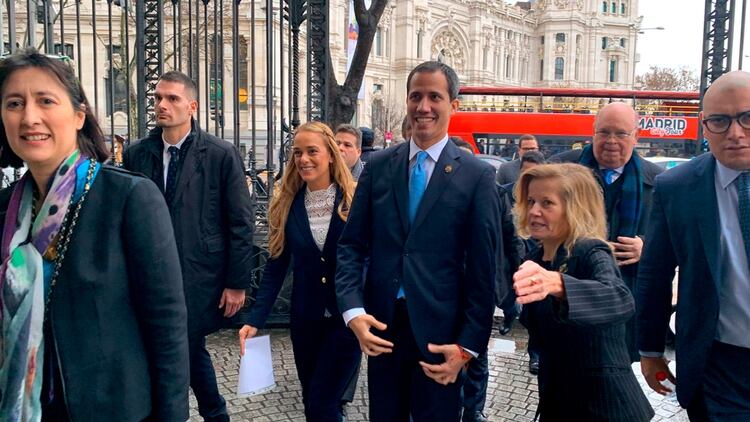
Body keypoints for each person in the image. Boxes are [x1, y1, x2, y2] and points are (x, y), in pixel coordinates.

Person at [0, 48, 189, 421]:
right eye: (14, 103)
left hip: (111, 408)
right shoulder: (5, 209)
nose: (30, 117)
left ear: (79, 116)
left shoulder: (128, 198)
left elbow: (167, 323)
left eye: (46, 100)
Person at [336, 61, 500, 422]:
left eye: (434, 97)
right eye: (416, 96)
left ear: (453, 105)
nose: (423, 106)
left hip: (442, 336)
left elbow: (483, 267)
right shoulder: (378, 165)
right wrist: (352, 310)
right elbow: (352, 246)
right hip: (383, 328)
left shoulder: (477, 176)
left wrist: (469, 347)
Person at [123, 71, 254, 422]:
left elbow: (240, 222)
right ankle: (210, 414)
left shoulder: (220, 154)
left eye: (172, 99)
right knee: (181, 348)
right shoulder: (137, 153)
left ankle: (208, 413)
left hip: (199, 274)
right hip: (148, 273)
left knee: (186, 345)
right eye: (158, 98)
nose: (162, 105)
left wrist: (237, 282)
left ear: (192, 106)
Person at [636, 70, 750, 421]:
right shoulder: (676, 187)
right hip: (719, 365)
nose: (735, 133)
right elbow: (655, 273)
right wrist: (651, 350)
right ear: (704, 127)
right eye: (719, 120)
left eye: (748, 118)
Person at [238, 122, 361, 421]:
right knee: (312, 402)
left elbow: (369, 258)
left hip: (346, 322)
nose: (303, 159)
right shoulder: (287, 205)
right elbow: (276, 266)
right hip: (305, 320)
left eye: (312, 151)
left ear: (331, 154)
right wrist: (255, 320)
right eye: (297, 153)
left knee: (322, 403)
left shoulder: (355, 200)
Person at [512, 163, 653, 421]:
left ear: (575, 208)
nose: (534, 211)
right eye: (531, 200)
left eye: (547, 203)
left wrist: (559, 284)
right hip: (561, 402)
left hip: (605, 407)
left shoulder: (590, 250)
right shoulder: (536, 257)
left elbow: (619, 298)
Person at [552, 102, 662, 362]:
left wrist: (647, 246)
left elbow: (676, 241)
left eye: (621, 134)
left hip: (626, 296)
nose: (611, 141)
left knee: (615, 378)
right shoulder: (561, 170)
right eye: (604, 132)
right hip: (571, 291)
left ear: (636, 136)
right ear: (593, 133)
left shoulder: (659, 182)